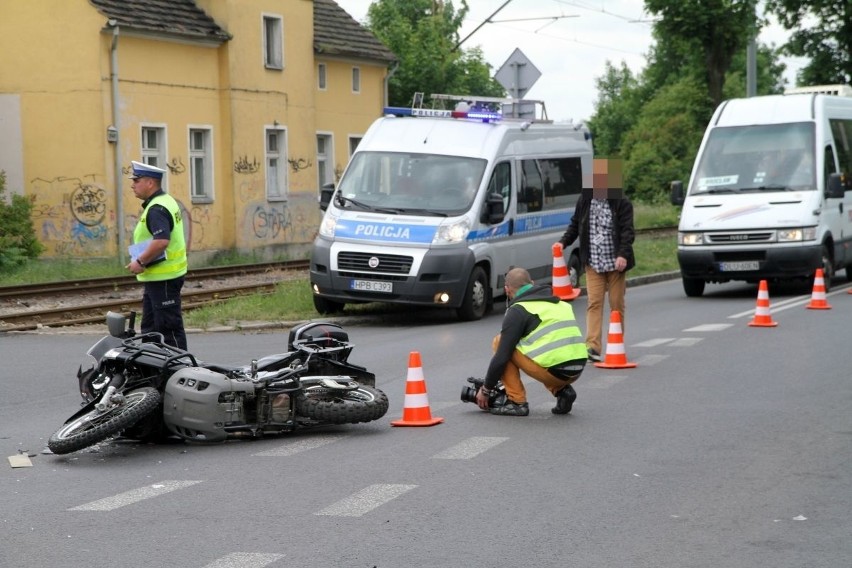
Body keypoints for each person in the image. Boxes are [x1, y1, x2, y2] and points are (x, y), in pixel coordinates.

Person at [475, 267, 587, 416]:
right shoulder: (558, 303)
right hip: (577, 369)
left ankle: (516, 402)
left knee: (500, 342)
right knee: (541, 349)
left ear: (507, 289)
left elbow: (501, 357)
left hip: (555, 373)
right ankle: (562, 391)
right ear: (532, 283)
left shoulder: (519, 310)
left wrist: (485, 389)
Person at [558, 158, 635, 363]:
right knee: (594, 303)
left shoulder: (621, 202)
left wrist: (622, 255)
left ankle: (615, 343)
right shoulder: (585, 201)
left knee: (616, 304)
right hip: (593, 262)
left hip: (615, 264)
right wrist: (562, 243)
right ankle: (592, 346)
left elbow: (628, 232)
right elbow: (575, 225)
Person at [126, 161, 188, 350]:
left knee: (168, 330)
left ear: (150, 183)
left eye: (136, 180)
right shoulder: (165, 201)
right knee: (151, 329)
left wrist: (140, 261)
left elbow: (162, 241)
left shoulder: (156, 209)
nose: (132, 184)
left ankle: (181, 369)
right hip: (159, 278)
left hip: (164, 279)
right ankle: (153, 372)